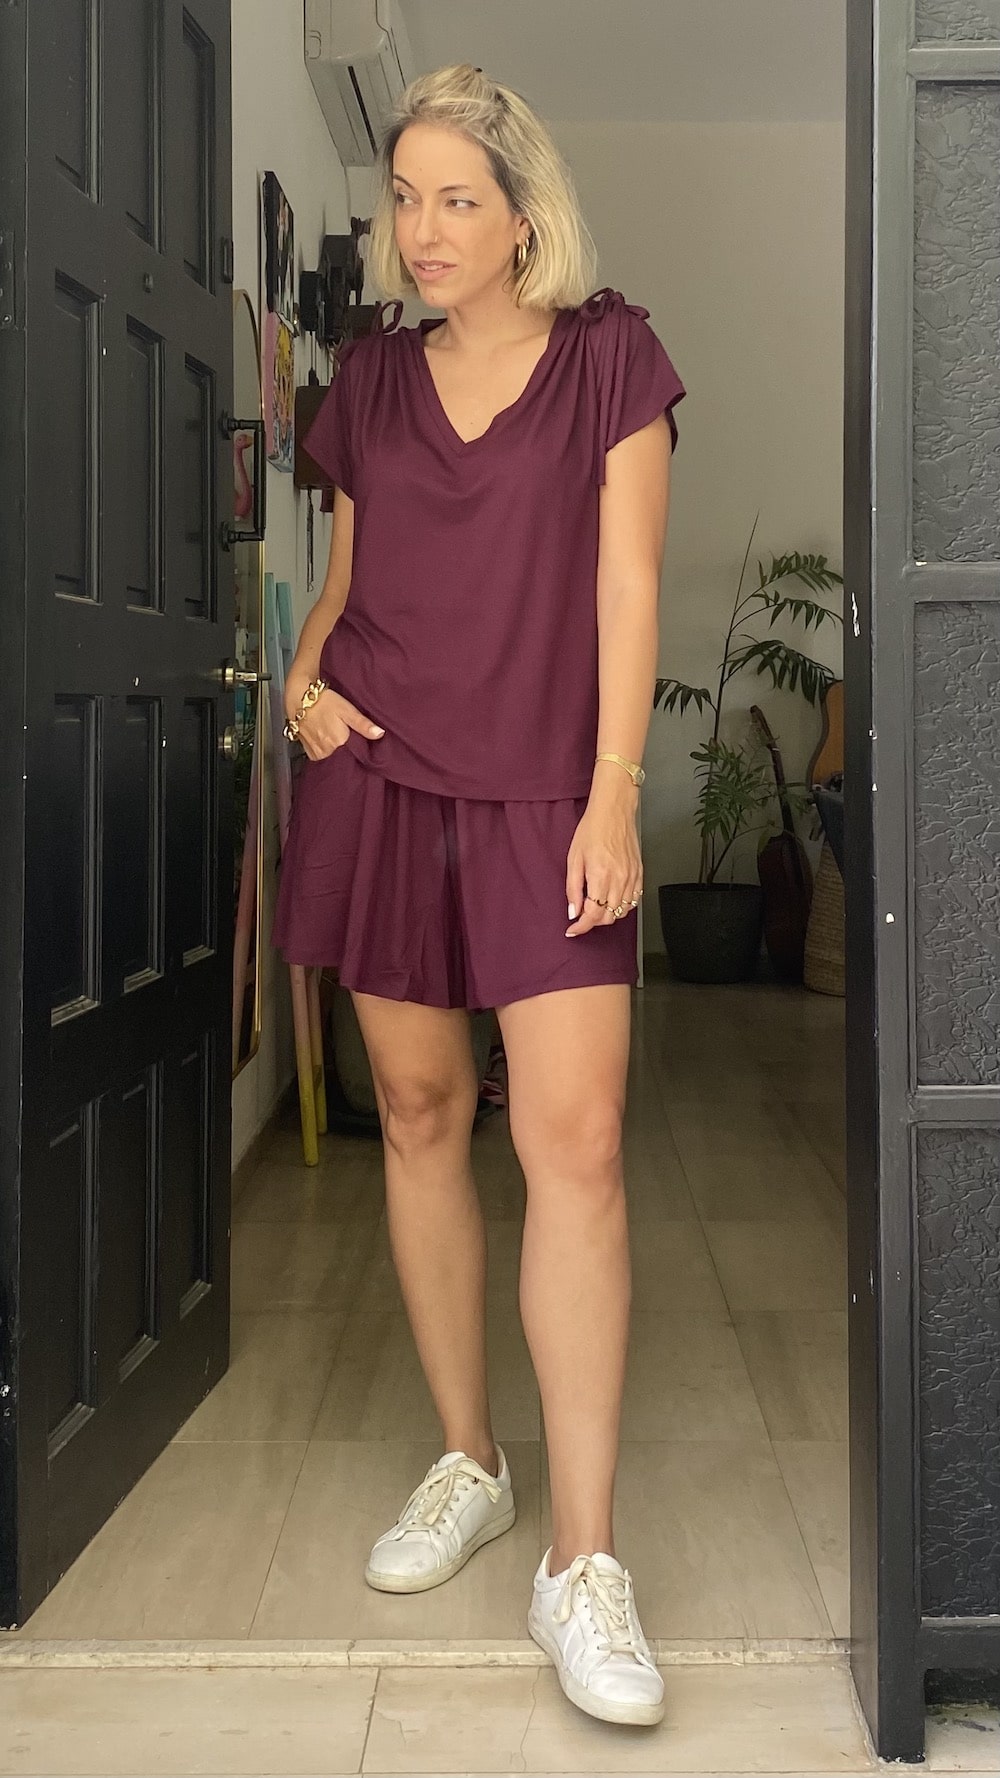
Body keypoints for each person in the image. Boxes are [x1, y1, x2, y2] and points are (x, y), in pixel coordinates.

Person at [273, 63, 685, 1729]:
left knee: (574, 1142)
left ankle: (585, 1560)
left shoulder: (611, 358)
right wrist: (302, 679)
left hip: (549, 798)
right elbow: (343, 588)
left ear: (525, 213)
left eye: (459, 197)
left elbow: (631, 585)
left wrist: (614, 794)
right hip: (380, 778)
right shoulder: (371, 380)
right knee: (422, 1112)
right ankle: (471, 1459)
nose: (425, 228)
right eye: (405, 197)